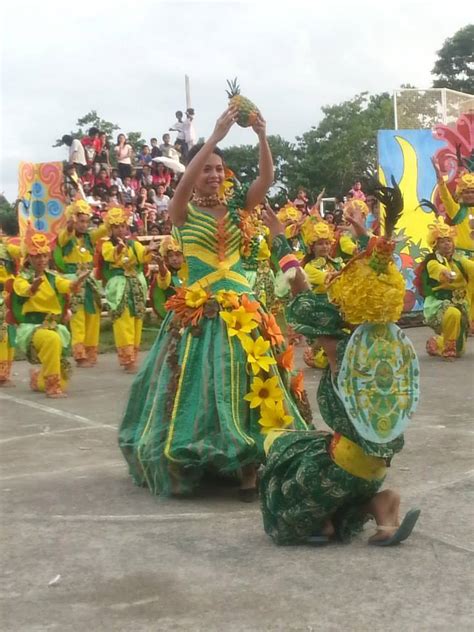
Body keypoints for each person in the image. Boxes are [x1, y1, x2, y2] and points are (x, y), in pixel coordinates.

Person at [118, 108, 310, 501]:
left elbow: (266, 179)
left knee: (249, 380)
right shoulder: (182, 213)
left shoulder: (241, 208)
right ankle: (203, 457)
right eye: (206, 169)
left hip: (245, 309)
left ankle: (248, 467)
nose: (214, 175)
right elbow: (180, 191)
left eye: (219, 169)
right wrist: (213, 139)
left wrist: (261, 134)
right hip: (198, 312)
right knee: (204, 383)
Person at [259, 184, 421, 546]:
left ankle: (321, 521)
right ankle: (382, 506)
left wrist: (281, 241)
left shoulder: (339, 340)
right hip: (380, 462)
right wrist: (366, 239)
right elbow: (379, 269)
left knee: (287, 456)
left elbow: (299, 289)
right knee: (337, 448)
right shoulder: (391, 339)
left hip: (346, 463)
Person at [11, 224, 90, 398]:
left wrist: (77, 282)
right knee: (51, 339)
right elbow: (23, 290)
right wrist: (33, 287)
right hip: (32, 328)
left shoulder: (52, 277)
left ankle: (38, 379)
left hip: (53, 326)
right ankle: (52, 388)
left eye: (44, 255)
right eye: (37, 256)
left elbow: (66, 285)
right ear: (29, 258)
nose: (41, 260)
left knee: (64, 379)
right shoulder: (22, 278)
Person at [99, 206, 158, 372]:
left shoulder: (133, 243)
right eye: (116, 227)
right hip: (119, 286)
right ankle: (127, 358)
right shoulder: (106, 245)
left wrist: (149, 249)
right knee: (123, 320)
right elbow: (108, 256)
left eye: (122, 226)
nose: (120, 230)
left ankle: (134, 355)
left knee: (137, 319)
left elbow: (142, 254)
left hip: (135, 285)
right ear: (110, 229)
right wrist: (117, 249)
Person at [54, 199, 106, 367]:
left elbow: (103, 230)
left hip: (90, 282)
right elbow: (64, 236)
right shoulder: (65, 237)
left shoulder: (89, 238)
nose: (84, 225)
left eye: (86, 221)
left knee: (93, 316)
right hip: (74, 281)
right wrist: (70, 224)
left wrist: (112, 218)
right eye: (81, 221)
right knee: (78, 318)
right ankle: (79, 354)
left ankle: (91, 352)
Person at [416, 218, 473, 360]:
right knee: (453, 314)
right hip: (439, 303)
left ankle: (438, 342)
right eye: (442, 241)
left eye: (448, 240)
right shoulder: (432, 261)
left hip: (461, 303)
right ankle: (448, 350)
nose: (446, 244)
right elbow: (437, 269)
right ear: (435, 245)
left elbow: (471, 267)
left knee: (460, 350)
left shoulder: (459, 260)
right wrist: (446, 273)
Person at [301, 221, 343, 369]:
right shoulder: (309, 267)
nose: (324, 247)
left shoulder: (335, 263)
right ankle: (314, 352)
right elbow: (329, 279)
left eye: (327, 243)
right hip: (320, 307)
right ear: (312, 247)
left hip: (336, 305)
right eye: (320, 244)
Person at [0, 232, 21, 387]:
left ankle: (5, 374)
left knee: (10, 335)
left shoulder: (7, 247)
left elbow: (21, 251)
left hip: (8, 295)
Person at [149, 235, 186, 319]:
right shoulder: (167, 274)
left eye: (178, 255)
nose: (174, 258)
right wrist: (161, 266)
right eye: (171, 256)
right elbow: (163, 281)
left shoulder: (191, 272)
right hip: (173, 317)